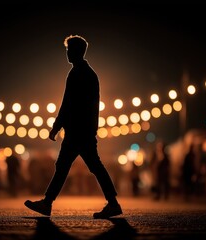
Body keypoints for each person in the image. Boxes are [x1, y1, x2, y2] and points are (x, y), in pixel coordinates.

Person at [25, 35, 122, 219]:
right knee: (87, 166)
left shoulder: (77, 73)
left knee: (69, 167)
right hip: (84, 130)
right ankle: (112, 203)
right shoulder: (89, 73)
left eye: (69, 50)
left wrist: (56, 127)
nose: (67, 53)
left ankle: (48, 203)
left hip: (77, 131)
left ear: (76, 51)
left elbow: (68, 103)